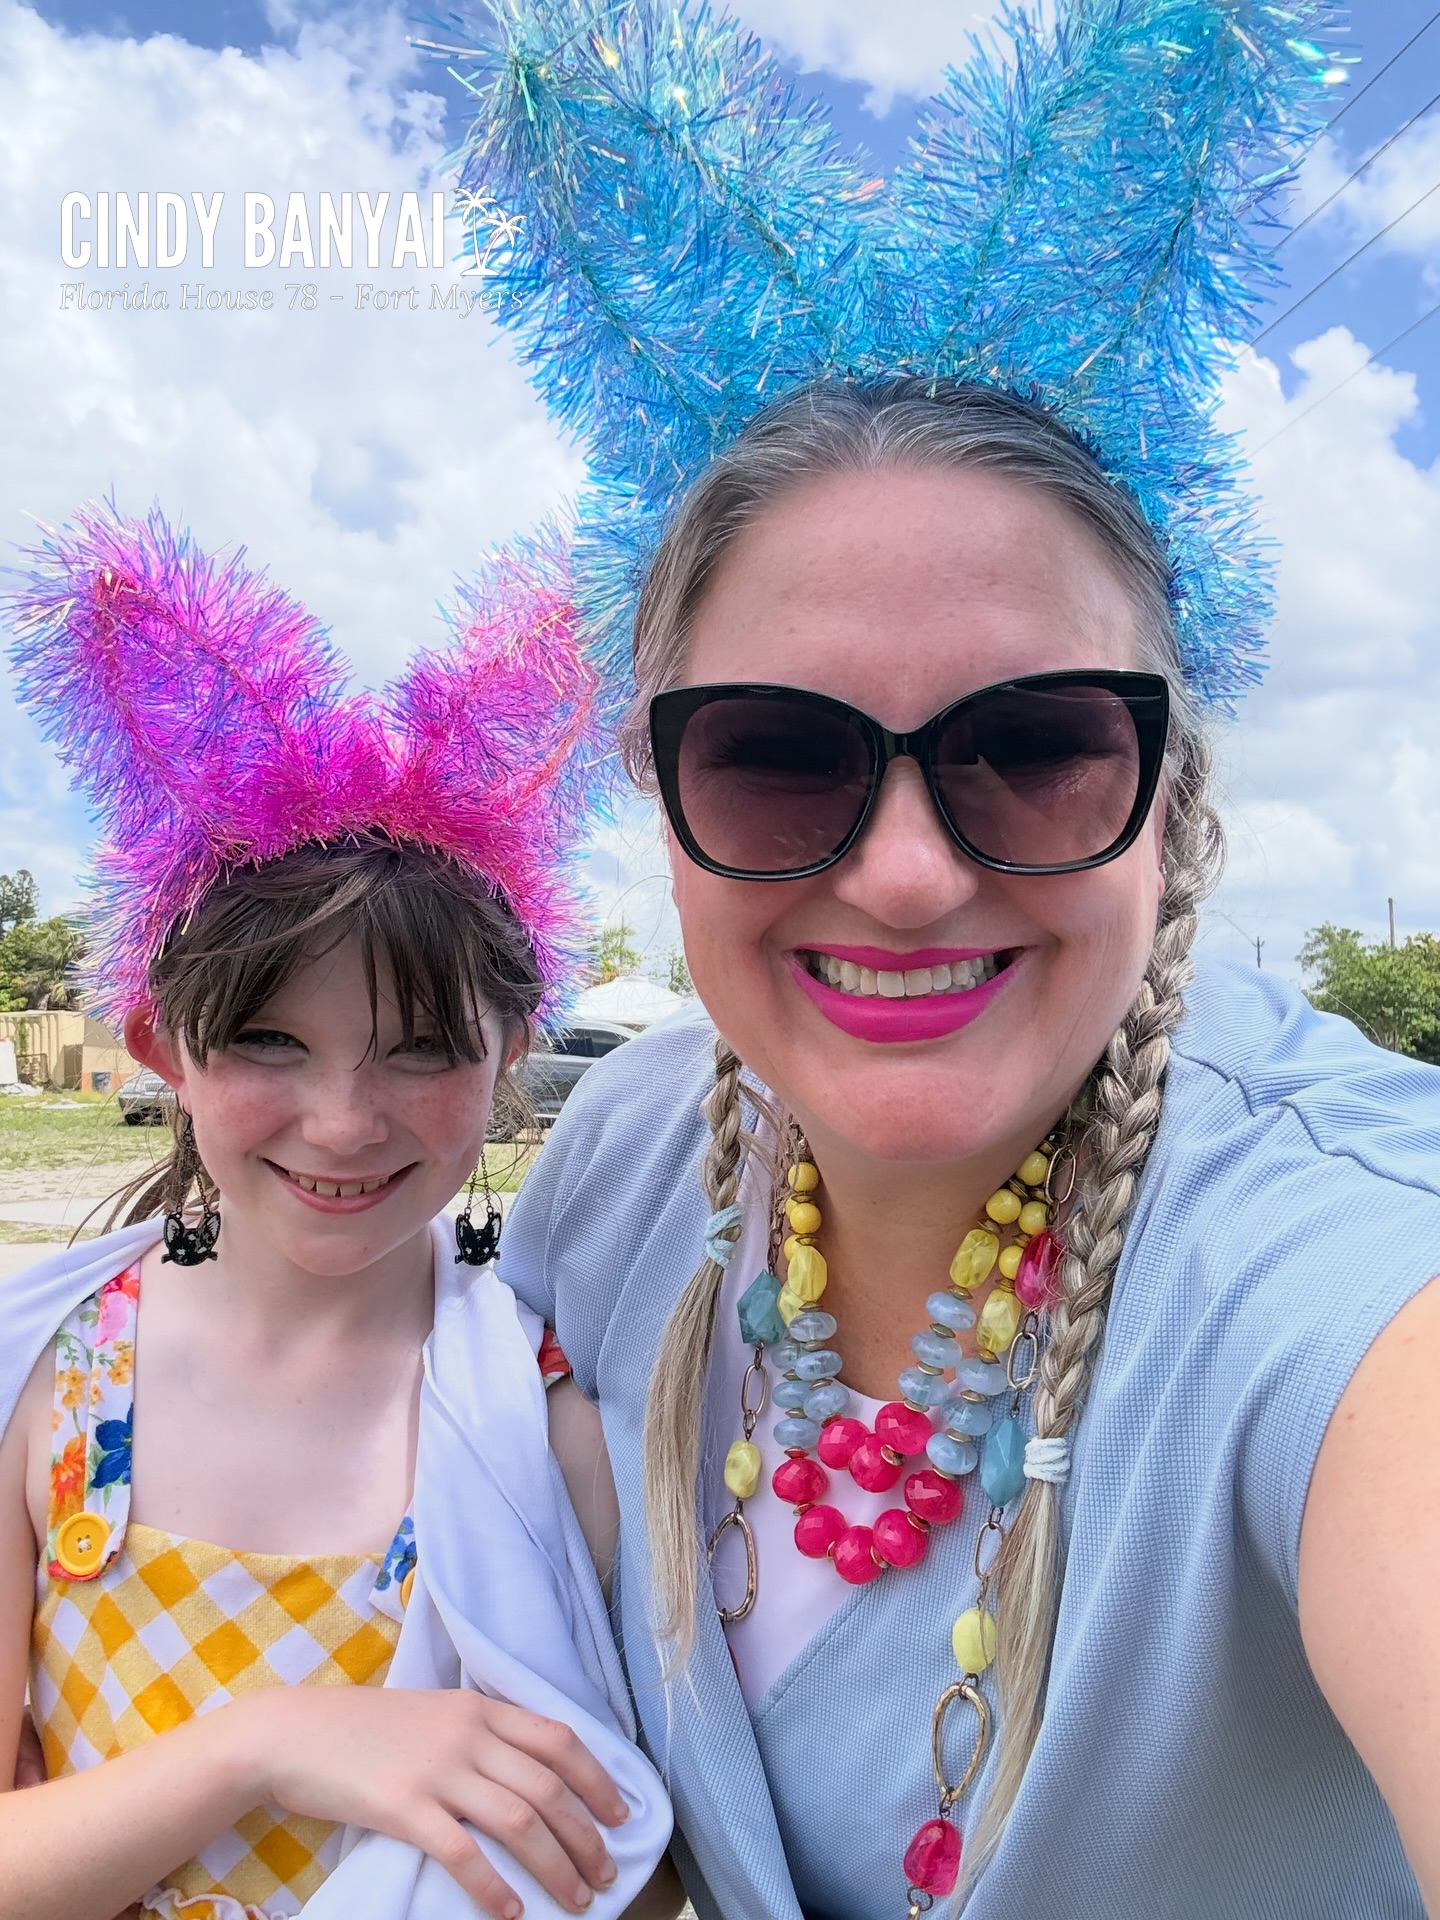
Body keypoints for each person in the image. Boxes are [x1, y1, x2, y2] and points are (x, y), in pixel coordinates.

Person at [462, 1, 1440, 1915]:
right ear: (662, 794)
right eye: (778, 756)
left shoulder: (1327, 1265)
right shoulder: (629, 1154)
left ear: (1166, 782)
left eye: (1034, 743)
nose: (906, 875)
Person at [0, 505, 675, 1920]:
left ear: (508, 1065)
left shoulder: (556, 1423)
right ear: (161, 1054)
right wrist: (266, 1746)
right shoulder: (42, 1389)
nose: (345, 1120)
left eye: (422, 1049)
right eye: (270, 1045)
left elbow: (629, 1858)